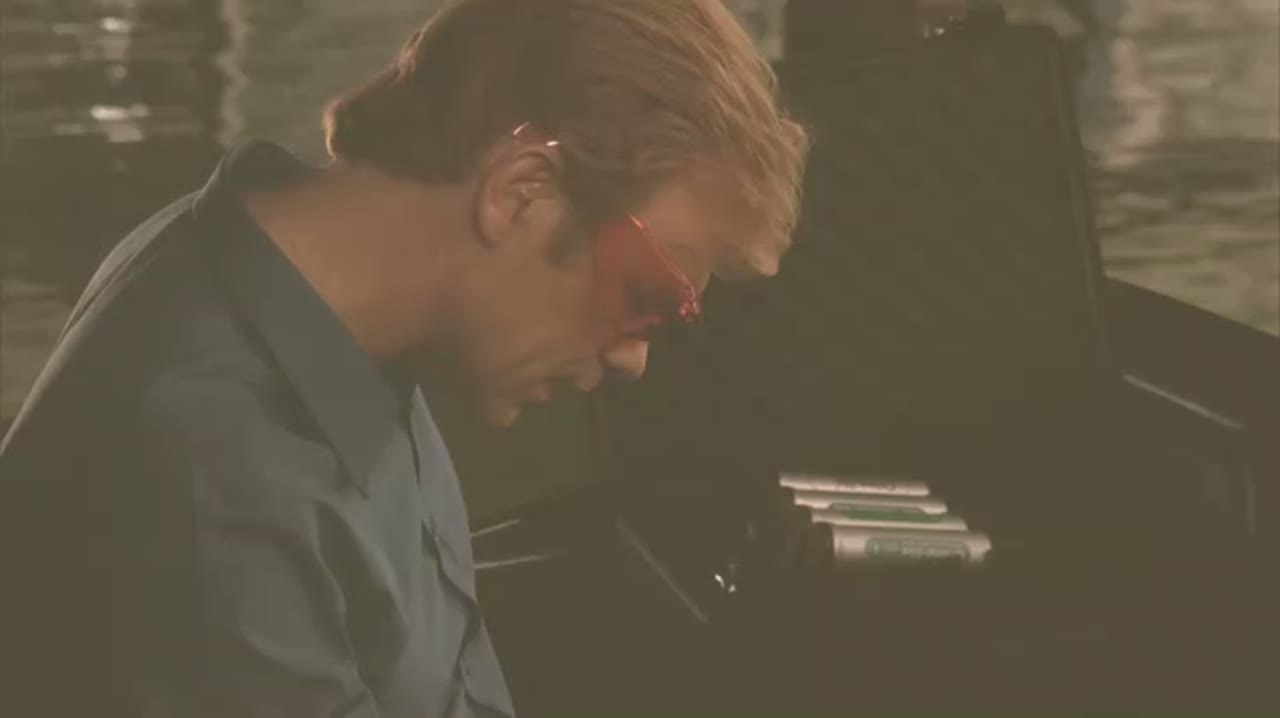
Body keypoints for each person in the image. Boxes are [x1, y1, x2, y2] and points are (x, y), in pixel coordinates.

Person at [0, 0, 809, 716]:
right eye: (647, 292)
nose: (635, 358)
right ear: (521, 191)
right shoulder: (215, 467)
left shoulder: (326, 321)